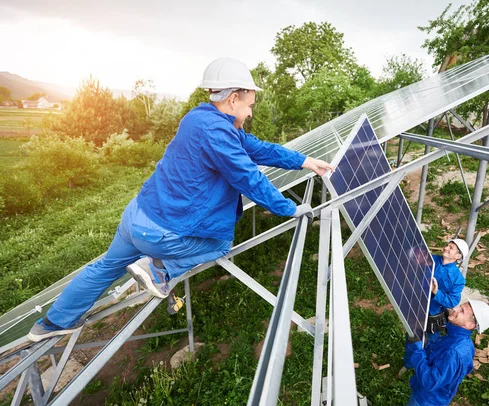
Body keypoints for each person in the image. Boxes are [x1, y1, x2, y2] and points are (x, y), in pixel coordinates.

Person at [27, 57, 334, 342]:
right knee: (219, 243)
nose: (251, 112)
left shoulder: (199, 118)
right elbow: (248, 179)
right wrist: (290, 208)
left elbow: (261, 149)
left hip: (136, 215)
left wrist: (305, 161)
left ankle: (51, 324)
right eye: (249, 105)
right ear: (233, 99)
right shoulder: (219, 133)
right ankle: (158, 269)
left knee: (105, 267)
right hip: (161, 232)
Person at [397, 299, 489, 406]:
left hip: (427, 401)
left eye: (462, 311)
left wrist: (417, 350)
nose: (455, 309)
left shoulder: (454, 352)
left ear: (470, 324)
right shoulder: (463, 341)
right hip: (438, 396)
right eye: (460, 307)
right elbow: (466, 367)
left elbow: (430, 382)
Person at [426, 239, 469, 339]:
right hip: (415, 302)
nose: (445, 248)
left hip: (433, 313)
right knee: (412, 336)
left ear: (458, 256)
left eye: (451, 248)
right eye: (447, 245)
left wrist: (436, 292)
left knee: (430, 342)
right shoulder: (431, 259)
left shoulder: (458, 279)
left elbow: (453, 301)